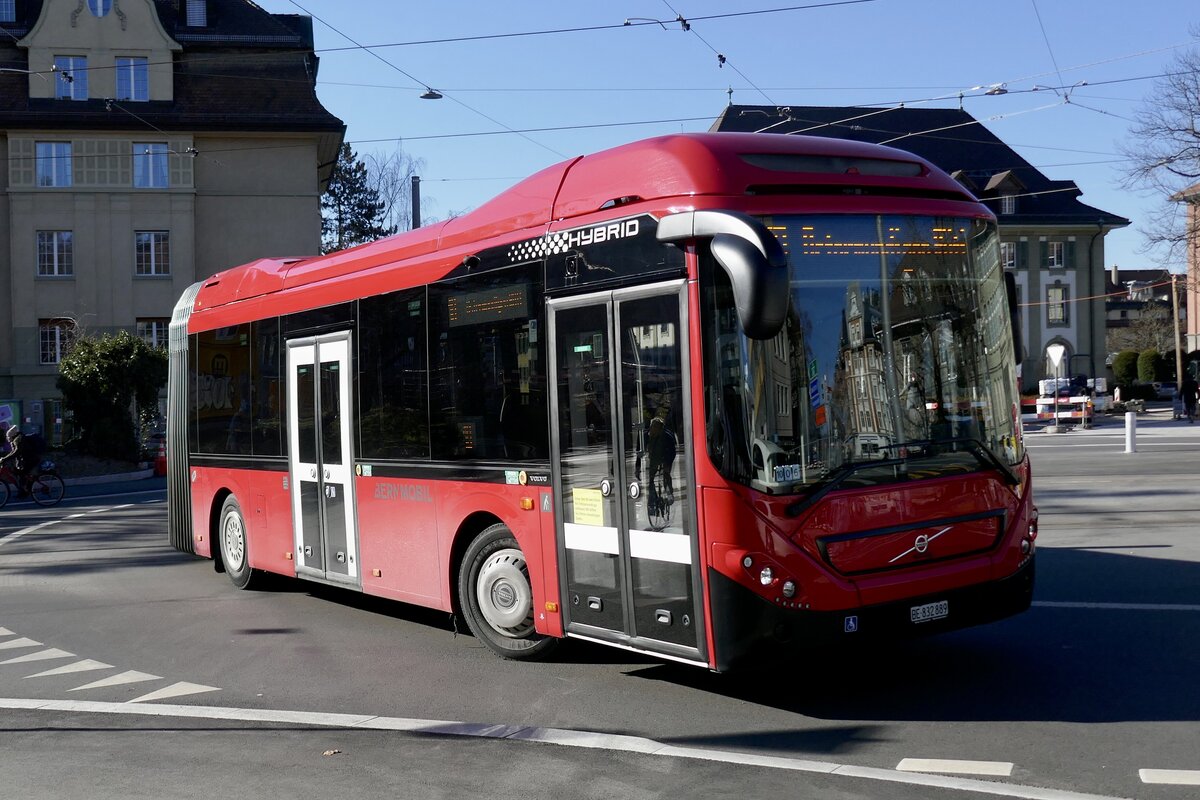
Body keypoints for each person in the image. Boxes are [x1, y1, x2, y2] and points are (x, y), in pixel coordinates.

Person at [1, 426, 42, 496]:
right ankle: (23, 490)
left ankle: (25, 490)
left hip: (31, 459)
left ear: (12, 435)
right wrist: (5, 458)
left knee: (22, 473)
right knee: (19, 473)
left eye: (8, 437)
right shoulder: (17, 439)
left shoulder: (18, 439)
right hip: (27, 460)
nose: (8, 439)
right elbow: (13, 452)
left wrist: (4, 459)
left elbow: (17, 452)